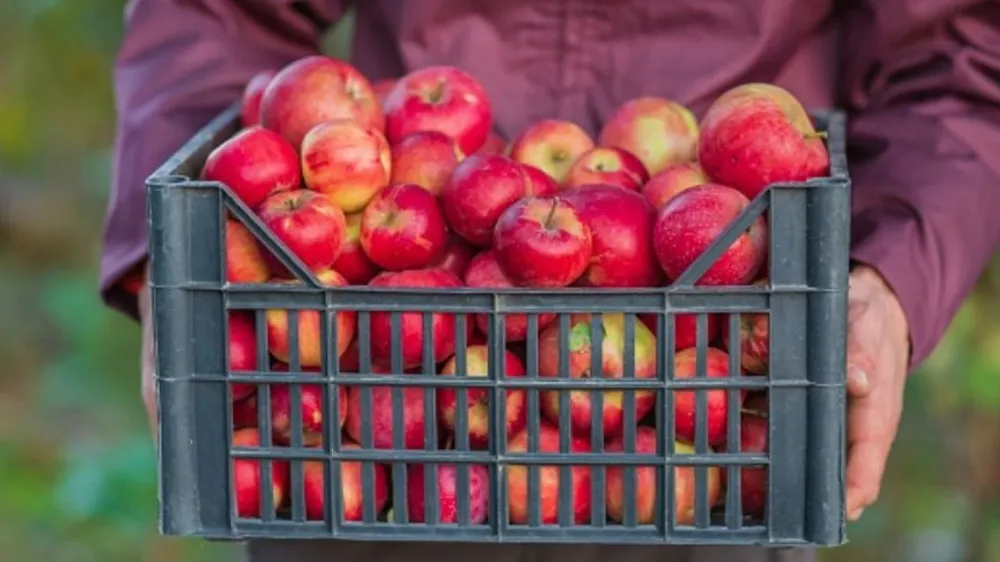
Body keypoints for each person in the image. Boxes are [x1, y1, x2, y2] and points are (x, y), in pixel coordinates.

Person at [101, 1, 1000, 561]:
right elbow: (211, 12)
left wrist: (891, 273)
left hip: (729, 361)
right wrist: (169, 261)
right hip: (372, 391)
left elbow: (953, 53)